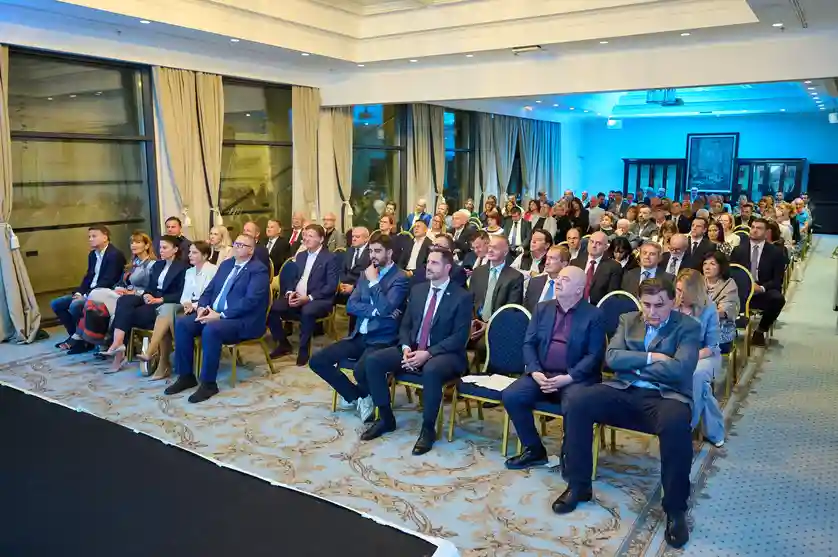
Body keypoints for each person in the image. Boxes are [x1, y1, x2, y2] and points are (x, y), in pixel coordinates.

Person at [556, 278, 700, 549]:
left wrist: (632, 365)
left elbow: (680, 370)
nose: (652, 312)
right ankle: (578, 485)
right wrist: (653, 358)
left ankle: (675, 509)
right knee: (577, 401)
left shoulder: (688, 326)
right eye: (647, 304)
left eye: (659, 305)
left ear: (673, 302)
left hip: (665, 396)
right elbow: (612, 358)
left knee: (676, 424)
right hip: (624, 389)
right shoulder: (628, 319)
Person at [361, 247, 473, 454]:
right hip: (413, 349)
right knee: (374, 361)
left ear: (447, 268)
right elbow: (405, 324)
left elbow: (459, 337)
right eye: (428, 262)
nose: (428, 266)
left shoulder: (462, 296)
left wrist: (428, 354)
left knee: (431, 370)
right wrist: (405, 347)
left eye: (434, 263)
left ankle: (428, 429)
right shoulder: (418, 290)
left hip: (446, 354)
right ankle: (385, 418)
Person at [503, 265, 605, 469]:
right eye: (558, 278)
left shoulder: (594, 315)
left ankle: (570, 457)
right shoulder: (543, 308)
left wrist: (568, 377)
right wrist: (535, 371)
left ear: (579, 289)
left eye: (565, 280)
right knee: (512, 396)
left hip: (575, 379)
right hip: (542, 374)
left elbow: (594, 356)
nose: (558, 281)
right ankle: (534, 450)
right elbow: (529, 343)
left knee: (575, 404)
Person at [309, 232, 410, 422]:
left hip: (381, 339)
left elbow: (386, 308)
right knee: (317, 361)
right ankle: (358, 396)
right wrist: (376, 310)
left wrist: (374, 283)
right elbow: (351, 305)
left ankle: (364, 398)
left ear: (389, 253)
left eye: (378, 251)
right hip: (358, 335)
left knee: (360, 369)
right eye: (371, 251)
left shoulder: (400, 278)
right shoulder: (365, 274)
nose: (373, 255)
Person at [163, 234, 269, 402]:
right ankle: (186, 376)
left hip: (242, 320)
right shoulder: (227, 265)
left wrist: (221, 315)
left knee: (212, 329)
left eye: (242, 245)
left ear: (251, 250)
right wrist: (202, 308)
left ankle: (208, 384)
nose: (236, 247)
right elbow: (209, 290)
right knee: (183, 323)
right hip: (213, 313)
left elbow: (251, 301)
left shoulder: (258, 270)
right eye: (236, 243)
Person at [101, 235, 187, 373]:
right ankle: (118, 342)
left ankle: (118, 348)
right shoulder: (158, 265)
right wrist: (147, 294)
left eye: (165, 248)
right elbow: (150, 287)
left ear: (175, 249)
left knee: (125, 315)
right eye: (160, 247)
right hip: (151, 299)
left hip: (165, 302)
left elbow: (181, 293)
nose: (161, 250)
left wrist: (159, 300)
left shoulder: (183, 268)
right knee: (124, 300)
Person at [138, 241, 218, 380]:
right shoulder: (190, 271)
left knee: (167, 313)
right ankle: (159, 357)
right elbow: (184, 295)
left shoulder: (213, 270)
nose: (190, 255)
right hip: (186, 306)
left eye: (194, 253)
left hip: (204, 308)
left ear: (205, 256)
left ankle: (157, 357)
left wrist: (193, 306)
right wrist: (186, 303)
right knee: (166, 310)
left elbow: (210, 295)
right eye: (190, 252)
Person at [70, 231, 157, 354]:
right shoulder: (133, 263)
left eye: (138, 242)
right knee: (95, 299)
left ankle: (85, 335)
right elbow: (121, 282)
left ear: (147, 245)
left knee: (95, 295)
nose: (133, 245)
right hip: (123, 294)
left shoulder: (152, 265)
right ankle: (103, 338)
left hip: (137, 297)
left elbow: (151, 288)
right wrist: (119, 288)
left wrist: (132, 292)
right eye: (132, 243)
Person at [268, 224, 340, 366]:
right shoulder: (301, 255)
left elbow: (331, 286)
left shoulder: (330, 258)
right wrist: (290, 292)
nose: (306, 239)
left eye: (311, 236)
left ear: (321, 239)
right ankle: (283, 344)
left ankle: (303, 350)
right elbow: (292, 279)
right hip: (297, 296)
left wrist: (309, 298)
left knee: (307, 310)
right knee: (271, 307)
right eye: (305, 235)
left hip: (319, 299)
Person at [52, 226, 127, 351]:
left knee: (75, 306)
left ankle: (82, 340)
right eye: (89, 237)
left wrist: (85, 295)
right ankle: (77, 337)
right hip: (88, 292)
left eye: (94, 236)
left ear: (105, 237)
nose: (90, 239)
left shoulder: (115, 255)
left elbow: (108, 280)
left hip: (102, 294)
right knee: (56, 304)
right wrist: (79, 293)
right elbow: (88, 277)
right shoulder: (92, 255)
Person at [674, 269, 725, 447]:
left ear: (695, 292)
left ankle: (687, 425)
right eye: (678, 290)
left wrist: (689, 358)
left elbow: (711, 347)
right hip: (676, 354)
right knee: (703, 390)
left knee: (696, 375)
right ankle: (714, 431)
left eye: (684, 292)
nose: (680, 296)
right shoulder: (671, 305)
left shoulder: (709, 309)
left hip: (704, 356)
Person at [729, 218, 786, 347]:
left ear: (766, 233)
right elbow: (732, 274)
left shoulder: (776, 252)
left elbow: (777, 280)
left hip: (762, 291)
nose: (754, 230)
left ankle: (760, 330)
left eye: (759, 228)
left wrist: (761, 288)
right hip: (741, 291)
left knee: (778, 299)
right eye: (753, 227)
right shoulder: (738, 250)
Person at [469, 235, 524, 341]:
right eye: (489, 246)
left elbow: (511, 310)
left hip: (498, 327)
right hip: (474, 324)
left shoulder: (515, 277)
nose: (490, 250)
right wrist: (472, 321)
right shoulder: (478, 272)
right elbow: (469, 301)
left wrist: (489, 325)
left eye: (495, 248)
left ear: (505, 252)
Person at [702, 250, 739, 359]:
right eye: (705, 264)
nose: (707, 267)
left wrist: (701, 315)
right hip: (697, 325)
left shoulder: (729, 285)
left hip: (721, 328)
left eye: (712, 264)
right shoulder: (698, 282)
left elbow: (722, 312)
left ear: (721, 267)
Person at [570, 231, 622, 306]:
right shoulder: (575, 263)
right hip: (573, 305)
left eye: (598, 243)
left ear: (606, 247)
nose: (594, 245)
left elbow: (611, 296)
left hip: (598, 307)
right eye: (591, 242)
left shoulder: (614, 267)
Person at [524, 245, 571, 314]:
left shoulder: (569, 287)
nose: (547, 263)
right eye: (547, 258)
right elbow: (525, 310)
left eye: (552, 258)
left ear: (564, 264)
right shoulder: (534, 282)